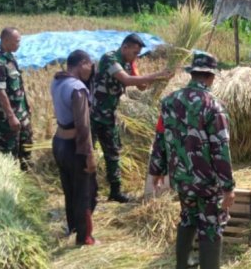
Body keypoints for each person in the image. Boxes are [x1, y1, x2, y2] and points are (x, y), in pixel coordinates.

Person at [149, 51, 235, 269]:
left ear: (193, 74)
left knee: (188, 217)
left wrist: (156, 170)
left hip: (181, 177)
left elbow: (160, 137)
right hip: (207, 183)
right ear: (210, 76)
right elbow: (221, 149)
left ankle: (183, 264)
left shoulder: (169, 101)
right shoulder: (213, 106)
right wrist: (228, 187)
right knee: (211, 225)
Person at [91, 33, 172, 202]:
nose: (136, 56)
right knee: (88, 153)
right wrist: (157, 75)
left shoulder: (128, 63)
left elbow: (141, 86)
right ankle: (88, 192)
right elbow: (127, 81)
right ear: (125, 47)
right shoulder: (110, 58)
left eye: (138, 54)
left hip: (109, 115)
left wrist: (162, 77)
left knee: (113, 153)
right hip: (93, 115)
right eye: (134, 52)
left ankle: (115, 192)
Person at [51, 50, 98, 246]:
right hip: (74, 146)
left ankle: (73, 227)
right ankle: (84, 236)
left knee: (69, 189)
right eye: (90, 65)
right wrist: (88, 154)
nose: (91, 70)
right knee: (85, 192)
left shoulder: (56, 81)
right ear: (82, 64)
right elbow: (83, 126)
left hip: (59, 142)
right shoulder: (77, 88)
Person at [0, 27, 33, 170]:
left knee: (26, 145)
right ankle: (13, 182)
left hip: (21, 112)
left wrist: (26, 106)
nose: (19, 44)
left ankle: (28, 176)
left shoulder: (10, 57)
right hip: (8, 116)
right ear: (6, 41)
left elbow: (18, 86)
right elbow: (0, 91)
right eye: (17, 41)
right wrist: (11, 116)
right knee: (10, 151)